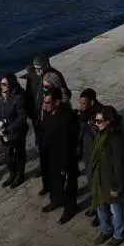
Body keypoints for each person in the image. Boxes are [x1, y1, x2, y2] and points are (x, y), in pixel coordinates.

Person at [90, 106, 124, 246]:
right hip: (100, 178)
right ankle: (106, 229)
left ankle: (119, 234)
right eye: (95, 120)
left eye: (99, 121)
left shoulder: (115, 139)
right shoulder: (102, 133)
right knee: (101, 206)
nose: (96, 123)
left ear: (108, 121)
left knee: (115, 208)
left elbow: (118, 165)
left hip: (111, 180)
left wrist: (117, 186)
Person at [40, 88, 81, 222]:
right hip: (51, 155)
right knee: (54, 181)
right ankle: (55, 200)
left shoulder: (68, 117)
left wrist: (65, 164)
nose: (44, 105)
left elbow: (69, 143)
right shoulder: (48, 112)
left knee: (69, 185)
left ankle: (70, 209)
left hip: (65, 157)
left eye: (47, 102)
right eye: (44, 102)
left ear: (57, 102)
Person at [0, 72, 29, 188]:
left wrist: (9, 129)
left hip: (17, 132)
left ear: (11, 84)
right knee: (8, 155)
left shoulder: (18, 97)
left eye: (4, 84)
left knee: (19, 154)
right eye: (1, 83)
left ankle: (20, 176)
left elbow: (22, 116)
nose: (1, 86)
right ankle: (12, 174)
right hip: (3, 132)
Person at [77, 88, 103, 218]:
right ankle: (95, 205)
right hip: (87, 152)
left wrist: (86, 124)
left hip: (97, 154)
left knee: (99, 184)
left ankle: (101, 213)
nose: (81, 106)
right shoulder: (84, 114)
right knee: (91, 182)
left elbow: (96, 135)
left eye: (83, 104)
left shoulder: (99, 116)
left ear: (91, 103)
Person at [24, 55, 58, 143]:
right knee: (38, 137)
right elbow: (28, 93)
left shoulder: (54, 76)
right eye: (35, 68)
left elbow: (65, 93)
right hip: (35, 113)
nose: (37, 71)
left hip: (48, 112)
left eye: (39, 69)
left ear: (47, 66)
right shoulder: (32, 75)